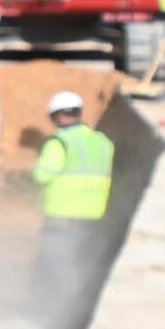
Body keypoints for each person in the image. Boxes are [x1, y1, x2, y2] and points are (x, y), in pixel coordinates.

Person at [30, 89, 114, 238]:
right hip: (95, 213)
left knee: (54, 258)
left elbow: (42, 176)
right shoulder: (104, 142)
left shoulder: (59, 143)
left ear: (56, 116)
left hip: (62, 215)